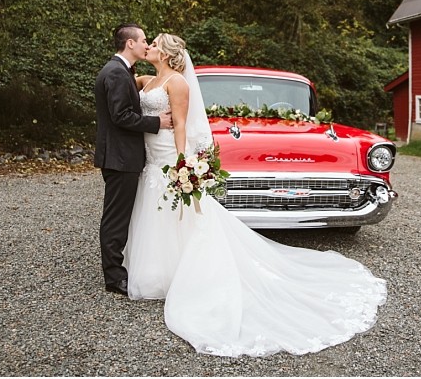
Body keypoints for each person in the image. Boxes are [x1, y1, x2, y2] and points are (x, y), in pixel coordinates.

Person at [123, 33, 387, 357]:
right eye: (146, 41)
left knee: (182, 216)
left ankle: (183, 276)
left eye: (154, 42)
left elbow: (181, 125)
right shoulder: (150, 78)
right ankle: (157, 273)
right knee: (157, 214)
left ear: (166, 52)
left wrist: (183, 161)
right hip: (152, 158)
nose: (149, 44)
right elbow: (127, 82)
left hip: (167, 155)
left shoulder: (177, 82)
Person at [94, 23, 172, 296]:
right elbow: (121, 116)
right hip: (119, 157)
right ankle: (114, 277)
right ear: (130, 44)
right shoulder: (116, 73)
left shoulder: (120, 71)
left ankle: (117, 268)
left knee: (119, 214)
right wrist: (157, 122)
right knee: (116, 217)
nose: (146, 44)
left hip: (121, 155)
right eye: (143, 40)